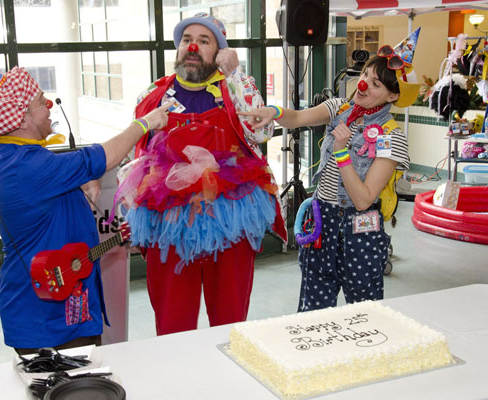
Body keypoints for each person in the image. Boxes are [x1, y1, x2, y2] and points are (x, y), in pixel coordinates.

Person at [0, 54, 170, 353]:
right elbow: (99, 158)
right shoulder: (28, 166)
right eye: (40, 101)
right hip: (46, 320)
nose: (48, 106)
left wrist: (80, 181)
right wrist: (143, 124)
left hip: (58, 305)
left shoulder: (12, 155)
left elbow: (56, 182)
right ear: (22, 118)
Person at [119, 13, 287, 335]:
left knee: (230, 320)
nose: (192, 46)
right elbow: (132, 153)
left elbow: (262, 134)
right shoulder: (151, 95)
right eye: (186, 40)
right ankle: (180, 380)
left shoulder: (233, 89)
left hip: (230, 221)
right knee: (172, 321)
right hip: (168, 225)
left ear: (219, 53)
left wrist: (236, 73)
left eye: (204, 40)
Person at [239, 29, 421, 312]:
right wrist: (273, 112)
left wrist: (341, 152)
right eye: (364, 76)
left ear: (392, 95)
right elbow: (298, 117)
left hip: (360, 230)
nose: (363, 86)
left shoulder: (392, 137)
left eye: (375, 84)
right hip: (322, 220)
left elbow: (363, 200)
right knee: (313, 310)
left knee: (363, 314)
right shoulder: (340, 107)